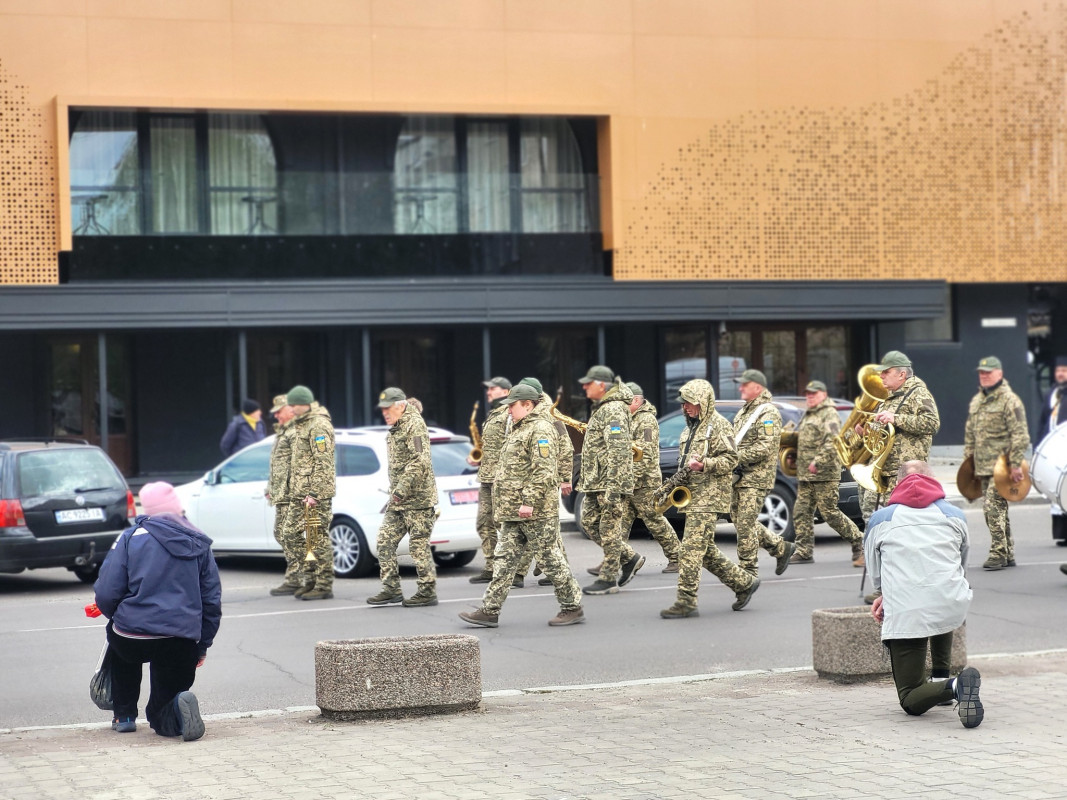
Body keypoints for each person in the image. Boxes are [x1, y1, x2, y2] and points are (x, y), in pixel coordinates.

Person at [94, 481, 222, 741]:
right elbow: (211, 600)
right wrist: (202, 645)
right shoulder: (198, 541)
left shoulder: (131, 538)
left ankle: (125, 715)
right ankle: (173, 709)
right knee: (164, 707)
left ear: (147, 509)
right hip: (180, 639)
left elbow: (107, 592)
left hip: (132, 636)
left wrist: (116, 616)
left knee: (119, 643)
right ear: (177, 507)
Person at [865, 461, 983, 728]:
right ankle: (941, 676)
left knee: (909, 698)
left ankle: (953, 686)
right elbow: (959, 565)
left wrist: (885, 595)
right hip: (951, 602)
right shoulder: (955, 514)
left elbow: (877, 573)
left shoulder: (881, 519)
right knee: (941, 595)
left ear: (898, 483)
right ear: (933, 480)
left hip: (908, 611)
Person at [459, 384, 585, 628]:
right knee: (504, 560)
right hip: (514, 511)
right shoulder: (520, 428)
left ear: (527, 404)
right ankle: (490, 610)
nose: (508, 411)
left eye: (512, 406)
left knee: (550, 559)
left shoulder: (540, 428)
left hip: (535, 510)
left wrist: (528, 501)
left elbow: (544, 470)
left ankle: (572, 607)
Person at [660, 379, 759, 618]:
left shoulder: (719, 426)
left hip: (710, 497)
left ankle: (686, 600)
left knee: (691, 549)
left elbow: (731, 459)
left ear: (703, 402)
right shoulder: (689, 428)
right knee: (705, 551)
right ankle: (743, 583)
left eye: (690, 403)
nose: (685, 407)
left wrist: (705, 465)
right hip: (693, 495)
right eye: (683, 403)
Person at [860, 350, 940, 604]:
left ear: (902, 374)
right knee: (878, 526)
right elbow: (883, 434)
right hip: (885, 470)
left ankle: (897, 586)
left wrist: (896, 418)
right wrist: (867, 430)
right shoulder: (889, 398)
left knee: (899, 530)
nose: (881, 376)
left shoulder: (918, 393)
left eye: (886, 372)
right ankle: (885, 585)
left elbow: (931, 423)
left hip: (907, 473)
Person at [575, 365, 645, 595]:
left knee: (609, 529)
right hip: (597, 480)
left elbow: (619, 450)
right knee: (589, 523)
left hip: (609, 481)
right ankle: (630, 557)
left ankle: (608, 579)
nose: (584, 387)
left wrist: (614, 487)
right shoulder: (604, 407)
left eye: (588, 383)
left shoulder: (614, 409)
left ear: (602, 385)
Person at [368, 387, 439, 607]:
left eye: (388, 409)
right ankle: (391, 589)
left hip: (417, 499)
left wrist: (400, 491)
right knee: (384, 542)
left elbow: (420, 462)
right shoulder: (398, 426)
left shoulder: (414, 424)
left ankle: (427, 591)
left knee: (418, 546)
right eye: (383, 410)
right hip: (399, 501)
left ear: (400, 405)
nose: (385, 414)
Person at [963, 356, 1030, 571]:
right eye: (981, 373)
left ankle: (998, 552)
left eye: (988, 373)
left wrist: (1015, 463)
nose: (984, 376)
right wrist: (968, 462)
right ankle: (1008, 551)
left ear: (999, 374)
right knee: (998, 509)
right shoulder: (977, 400)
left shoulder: (1011, 400)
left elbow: (1020, 434)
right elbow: (970, 433)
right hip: (981, 466)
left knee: (992, 507)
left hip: (1002, 466)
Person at [789, 380, 864, 566]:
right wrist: (795, 457)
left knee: (829, 512)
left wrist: (818, 461)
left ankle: (858, 542)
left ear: (823, 394)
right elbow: (806, 442)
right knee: (801, 512)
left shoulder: (829, 413)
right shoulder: (810, 414)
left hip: (825, 473)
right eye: (807, 393)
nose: (809, 396)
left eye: (813, 393)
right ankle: (804, 552)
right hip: (807, 474)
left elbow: (832, 442)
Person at [730, 369, 795, 577]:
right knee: (739, 520)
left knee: (746, 524)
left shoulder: (768, 412)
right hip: (739, 475)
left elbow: (766, 447)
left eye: (744, 384)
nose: (740, 387)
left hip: (756, 477)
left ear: (757, 388)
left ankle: (748, 573)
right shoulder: (744, 411)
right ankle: (780, 547)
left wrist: (735, 457)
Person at [512, 376, 575, 588]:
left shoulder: (549, 414)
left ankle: (522, 573)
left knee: (541, 528)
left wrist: (565, 478)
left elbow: (565, 446)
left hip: (544, 479)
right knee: (542, 530)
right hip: (525, 479)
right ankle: (552, 568)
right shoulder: (522, 412)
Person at [615, 381, 680, 573]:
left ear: (636, 400)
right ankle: (614, 559)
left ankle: (678, 557)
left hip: (644, 482)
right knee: (620, 521)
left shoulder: (646, 420)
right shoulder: (628, 417)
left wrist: (630, 478)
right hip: (629, 481)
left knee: (654, 520)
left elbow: (646, 454)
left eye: (624, 401)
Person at [281, 385, 336, 600]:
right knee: (290, 534)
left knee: (318, 538)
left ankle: (323, 584)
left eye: (294, 405)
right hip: (299, 492)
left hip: (315, 494)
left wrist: (314, 492)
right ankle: (310, 577)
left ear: (304, 403)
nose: (291, 409)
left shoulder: (319, 426)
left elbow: (324, 463)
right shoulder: (301, 424)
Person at [468, 376, 511, 584]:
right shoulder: (493, 413)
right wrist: (478, 456)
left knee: (506, 526)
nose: (488, 392)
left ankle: (513, 570)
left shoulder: (510, 413)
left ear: (505, 391)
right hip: (487, 476)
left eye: (492, 389)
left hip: (502, 478)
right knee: (483, 523)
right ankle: (491, 566)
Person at [266, 395, 300, 596]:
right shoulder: (283, 432)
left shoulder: (296, 432)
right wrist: (270, 488)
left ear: (291, 410)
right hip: (282, 494)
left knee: (290, 535)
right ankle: (297, 576)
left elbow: (300, 465)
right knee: (282, 534)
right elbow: (277, 465)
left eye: (280, 411)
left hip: (292, 494)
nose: (276, 415)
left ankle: (303, 576)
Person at [1038, 356, 1067, 545]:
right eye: (1058, 371)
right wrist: (1038, 446)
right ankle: (1062, 534)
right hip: (1053, 449)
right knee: (1056, 490)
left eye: (1064, 370)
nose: (1060, 374)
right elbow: (1043, 419)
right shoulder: (1052, 393)